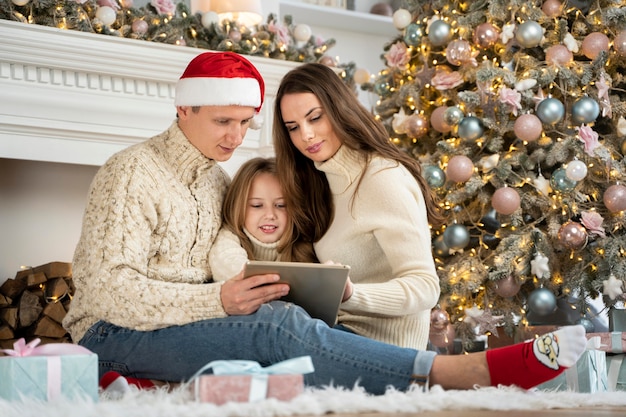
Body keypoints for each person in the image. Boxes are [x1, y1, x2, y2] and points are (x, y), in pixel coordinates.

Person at [63, 51, 586, 396]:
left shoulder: (219, 181)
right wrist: (221, 300)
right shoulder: (132, 173)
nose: (235, 136)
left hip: (177, 329)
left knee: (282, 326)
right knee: (276, 327)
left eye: (245, 123)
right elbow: (107, 291)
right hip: (112, 334)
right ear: (183, 110)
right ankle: (451, 373)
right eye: (222, 121)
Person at [272, 62, 442, 350]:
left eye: (315, 118)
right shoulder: (321, 181)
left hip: (383, 348)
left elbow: (426, 286)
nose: (306, 136)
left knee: (267, 329)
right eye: (293, 127)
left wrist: (350, 294)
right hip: (337, 333)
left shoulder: (381, 177)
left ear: (339, 109)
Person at [209, 156, 307, 282]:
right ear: (238, 207)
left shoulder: (301, 244)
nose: (270, 215)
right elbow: (230, 268)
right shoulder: (228, 238)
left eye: (281, 205)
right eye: (257, 205)